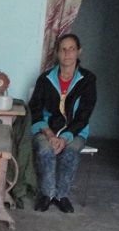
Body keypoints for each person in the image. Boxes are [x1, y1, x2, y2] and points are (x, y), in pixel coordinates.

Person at [28, 33, 97, 213]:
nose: (67, 54)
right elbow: (34, 108)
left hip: (75, 131)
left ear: (78, 51)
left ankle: (61, 195)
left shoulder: (88, 80)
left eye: (71, 49)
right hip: (46, 129)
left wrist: (65, 138)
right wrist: (49, 134)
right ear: (57, 53)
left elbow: (84, 114)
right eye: (63, 50)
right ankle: (47, 194)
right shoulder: (45, 79)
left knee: (70, 151)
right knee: (45, 150)